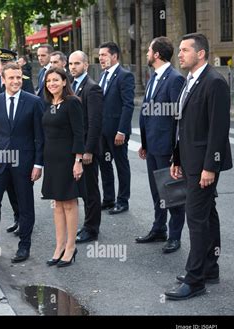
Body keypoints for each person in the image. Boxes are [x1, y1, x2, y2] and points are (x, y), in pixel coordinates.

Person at [165, 33, 232, 301]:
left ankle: (195, 280)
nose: (179, 54)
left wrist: (210, 167)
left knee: (195, 219)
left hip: (204, 165)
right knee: (208, 215)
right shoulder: (190, 80)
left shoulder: (214, 82)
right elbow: (184, 125)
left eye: (184, 50)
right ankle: (209, 267)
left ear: (200, 53)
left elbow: (218, 129)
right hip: (191, 160)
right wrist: (177, 157)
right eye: (179, 50)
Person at [0, 63, 44, 263]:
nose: (15, 81)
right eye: (11, 78)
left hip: (24, 161)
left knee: (25, 204)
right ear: (3, 80)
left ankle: (24, 246)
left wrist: (38, 164)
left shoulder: (33, 102)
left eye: (18, 78)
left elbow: (39, 137)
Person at [136, 37, 185, 253]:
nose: (146, 53)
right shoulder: (154, 77)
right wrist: (144, 142)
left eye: (149, 50)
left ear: (157, 54)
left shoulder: (174, 79)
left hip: (166, 147)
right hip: (153, 145)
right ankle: (159, 229)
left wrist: (177, 153)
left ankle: (174, 236)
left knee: (172, 194)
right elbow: (147, 112)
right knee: (157, 192)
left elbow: (178, 118)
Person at [42, 67, 84, 267]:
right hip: (51, 160)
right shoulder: (48, 103)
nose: (52, 84)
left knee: (69, 202)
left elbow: (79, 133)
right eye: (49, 81)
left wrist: (78, 161)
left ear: (64, 82)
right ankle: (59, 246)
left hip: (68, 160)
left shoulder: (72, 103)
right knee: (57, 204)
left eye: (56, 80)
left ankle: (70, 246)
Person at [68, 51, 103, 244]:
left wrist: (88, 150)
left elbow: (95, 122)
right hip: (76, 147)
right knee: (82, 188)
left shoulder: (92, 88)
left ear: (86, 65)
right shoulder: (72, 85)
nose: (73, 67)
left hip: (87, 149)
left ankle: (92, 228)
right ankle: (86, 224)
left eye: (77, 64)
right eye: (71, 64)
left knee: (90, 190)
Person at [98, 42, 135, 215]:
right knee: (105, 165)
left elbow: (128, 105)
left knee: (121, 165)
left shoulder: (124, 76)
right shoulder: (102, 76)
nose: (101, 58)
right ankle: (108, 199)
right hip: (102, 132)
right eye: (100, 55)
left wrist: (122, 131)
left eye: (104, 55)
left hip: (116, 132)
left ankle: (122, 201)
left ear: (114, 56)